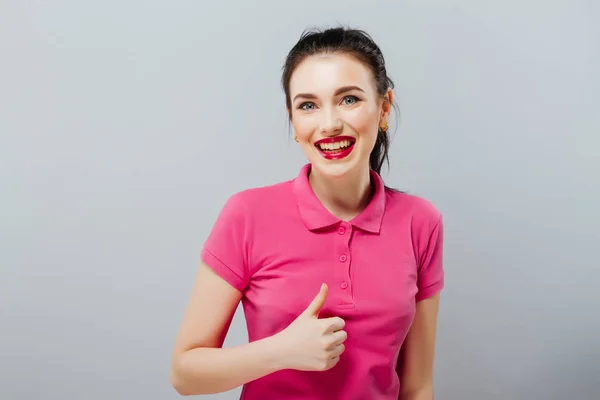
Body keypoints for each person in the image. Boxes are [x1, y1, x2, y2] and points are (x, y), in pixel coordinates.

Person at [170, 26, 444, 400]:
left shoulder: (421, 223)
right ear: (294, 122)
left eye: (348, 99)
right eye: (308, 105)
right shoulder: (247, 215)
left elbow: (417, 386)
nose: (329, 123)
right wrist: (280, 352)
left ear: (383, 107)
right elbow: (185, 374)